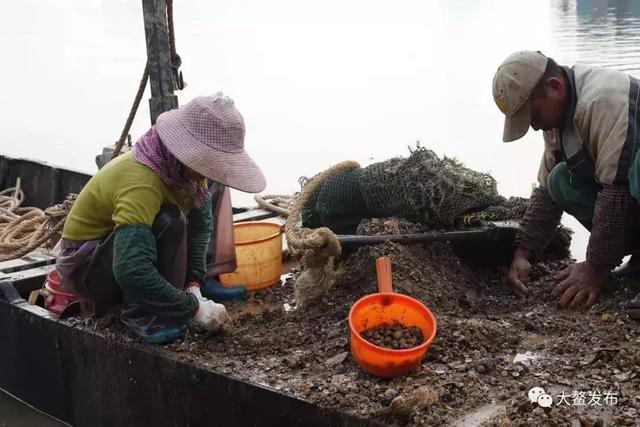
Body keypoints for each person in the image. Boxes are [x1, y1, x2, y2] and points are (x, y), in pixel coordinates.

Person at [56, 93, 266, 342]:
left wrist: (193, 284)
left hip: (119, 254)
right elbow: (130, 268)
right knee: (171, 219)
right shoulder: (141, 181)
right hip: (86, 266)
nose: (208, 172)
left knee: (194, 209)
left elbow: (200, 228)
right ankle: (140, 313)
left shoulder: (184, 171)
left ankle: (187, 287)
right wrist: (193, 309)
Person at [492, 50, 640, 312]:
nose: (535, 127)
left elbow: (617, 193)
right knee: (559, 179)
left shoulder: (603, 99)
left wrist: (594, 267)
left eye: (534, 116)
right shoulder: (557, 121)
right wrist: (523, 253)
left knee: (636, 169)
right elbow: (546, 193)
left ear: (554, 87)